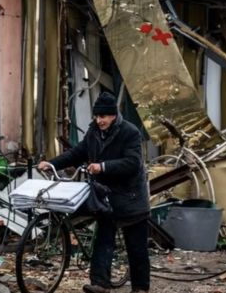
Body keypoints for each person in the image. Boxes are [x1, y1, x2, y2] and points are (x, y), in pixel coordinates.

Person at [38, 92, 150, 293]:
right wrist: (51, 163)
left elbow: (133, 163)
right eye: (96, 117)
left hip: (130, 197)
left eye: (103, 117)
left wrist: (103, 167)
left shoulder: (130, 132)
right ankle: (100, 283)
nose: (99, 121)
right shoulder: (94, 132)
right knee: (104, 239)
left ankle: (140, 288)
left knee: (136, 247)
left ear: (113, 115)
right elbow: (77, 153)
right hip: (105, 196)